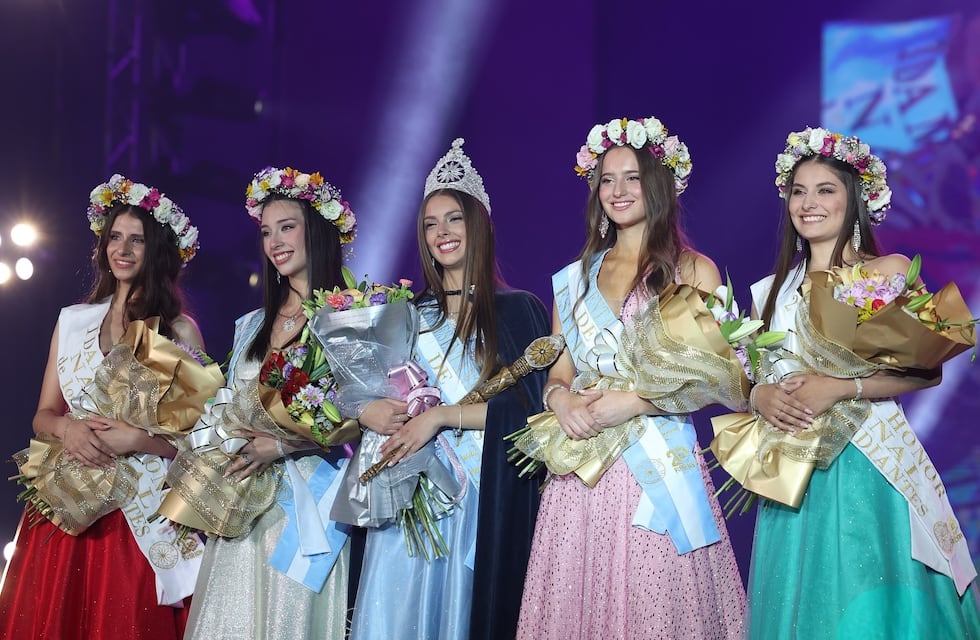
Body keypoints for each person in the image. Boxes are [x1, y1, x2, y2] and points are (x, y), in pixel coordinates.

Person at [746, 127, 980, 638]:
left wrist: (839, 387)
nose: (809, 203)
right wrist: (758, 394)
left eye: (825, 190)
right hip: (794, 468)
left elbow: (926, 369)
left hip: (871, 460)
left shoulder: (887, 271)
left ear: (854, 199)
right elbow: (753, 374)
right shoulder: (769, 292)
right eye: (799, 192)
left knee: (870, 600)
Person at [517, 117, 745, 639]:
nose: (617, 190)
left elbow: (722, 381)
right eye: (607, 180)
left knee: (655, 603)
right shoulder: (575, 279)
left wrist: (637, 401)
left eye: (632, 178)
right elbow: (559, 370)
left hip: (658, 464)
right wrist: (560, 401)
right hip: (583, 466)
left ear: (659, 186)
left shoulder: (693, 270)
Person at [349, 139, 551, 640]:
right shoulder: (407, 316)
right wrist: (366, 410)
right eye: (430, 224)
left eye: (454, 219)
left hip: (481, 500)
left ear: (480, 225)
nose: (442, 232)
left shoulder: (517, 310)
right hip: (412, 500)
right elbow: (374, 398)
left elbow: (529, 414)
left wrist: (440, 416)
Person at [0, 175, 203, 638]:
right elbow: (43, 415)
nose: (123, 249)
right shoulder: (73, 321)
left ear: (156, 250)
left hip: (138, 515)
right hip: (69, 503)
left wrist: (138, 439)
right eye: (115, 237)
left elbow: (198, 438)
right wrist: (67, 430)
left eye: (137, 239)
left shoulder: (178, 331)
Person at [183, 166, 358, 639]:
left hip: (307, 507)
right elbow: (226, 407)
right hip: (242, 500)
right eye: (266, 232)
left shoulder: (350, 315)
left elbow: (362, 415)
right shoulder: (250, 325)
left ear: (316, 230)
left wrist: (281, 445)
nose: (275, 242)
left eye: (287, 227)